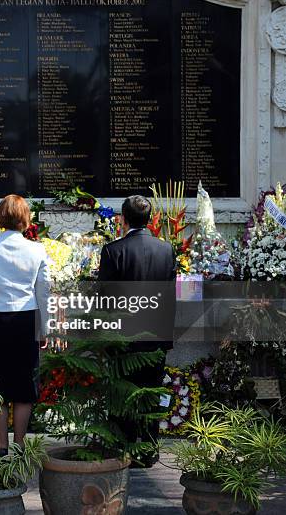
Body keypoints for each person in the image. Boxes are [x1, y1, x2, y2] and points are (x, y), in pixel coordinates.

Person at [98, 194, 176, 465]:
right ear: (149, 219)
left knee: (123, 393)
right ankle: (149, 451)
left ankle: (124, 450)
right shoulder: (166, 250)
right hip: (156, 335)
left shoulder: (113, 251)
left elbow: (104, 298)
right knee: (151, 392)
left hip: (124, 337)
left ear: (123, 219)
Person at [0, 194, 51, 456]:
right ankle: (20, 445)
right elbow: (43, 292)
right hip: (26, 319)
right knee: (24, 386)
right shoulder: (37, 249)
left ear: (0, 218)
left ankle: (2, 447)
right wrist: (45, 328)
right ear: (25, 219)